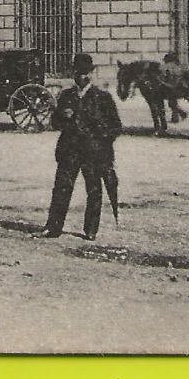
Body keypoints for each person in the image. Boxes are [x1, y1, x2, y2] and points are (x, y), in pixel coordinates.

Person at [39, 53, 122, 241]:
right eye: (78, 73)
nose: (82, 77)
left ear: (91, 74)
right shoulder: (66, 96)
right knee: (61, 188)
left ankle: (91, 230)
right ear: (73, 73)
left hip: (93, 152)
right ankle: (53, 227)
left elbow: (116, 127)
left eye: (85, 73)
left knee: (94, 190)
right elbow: (54, 123)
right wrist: (63, 116)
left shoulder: (103, 98)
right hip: (69, 151)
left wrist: (101, 140)